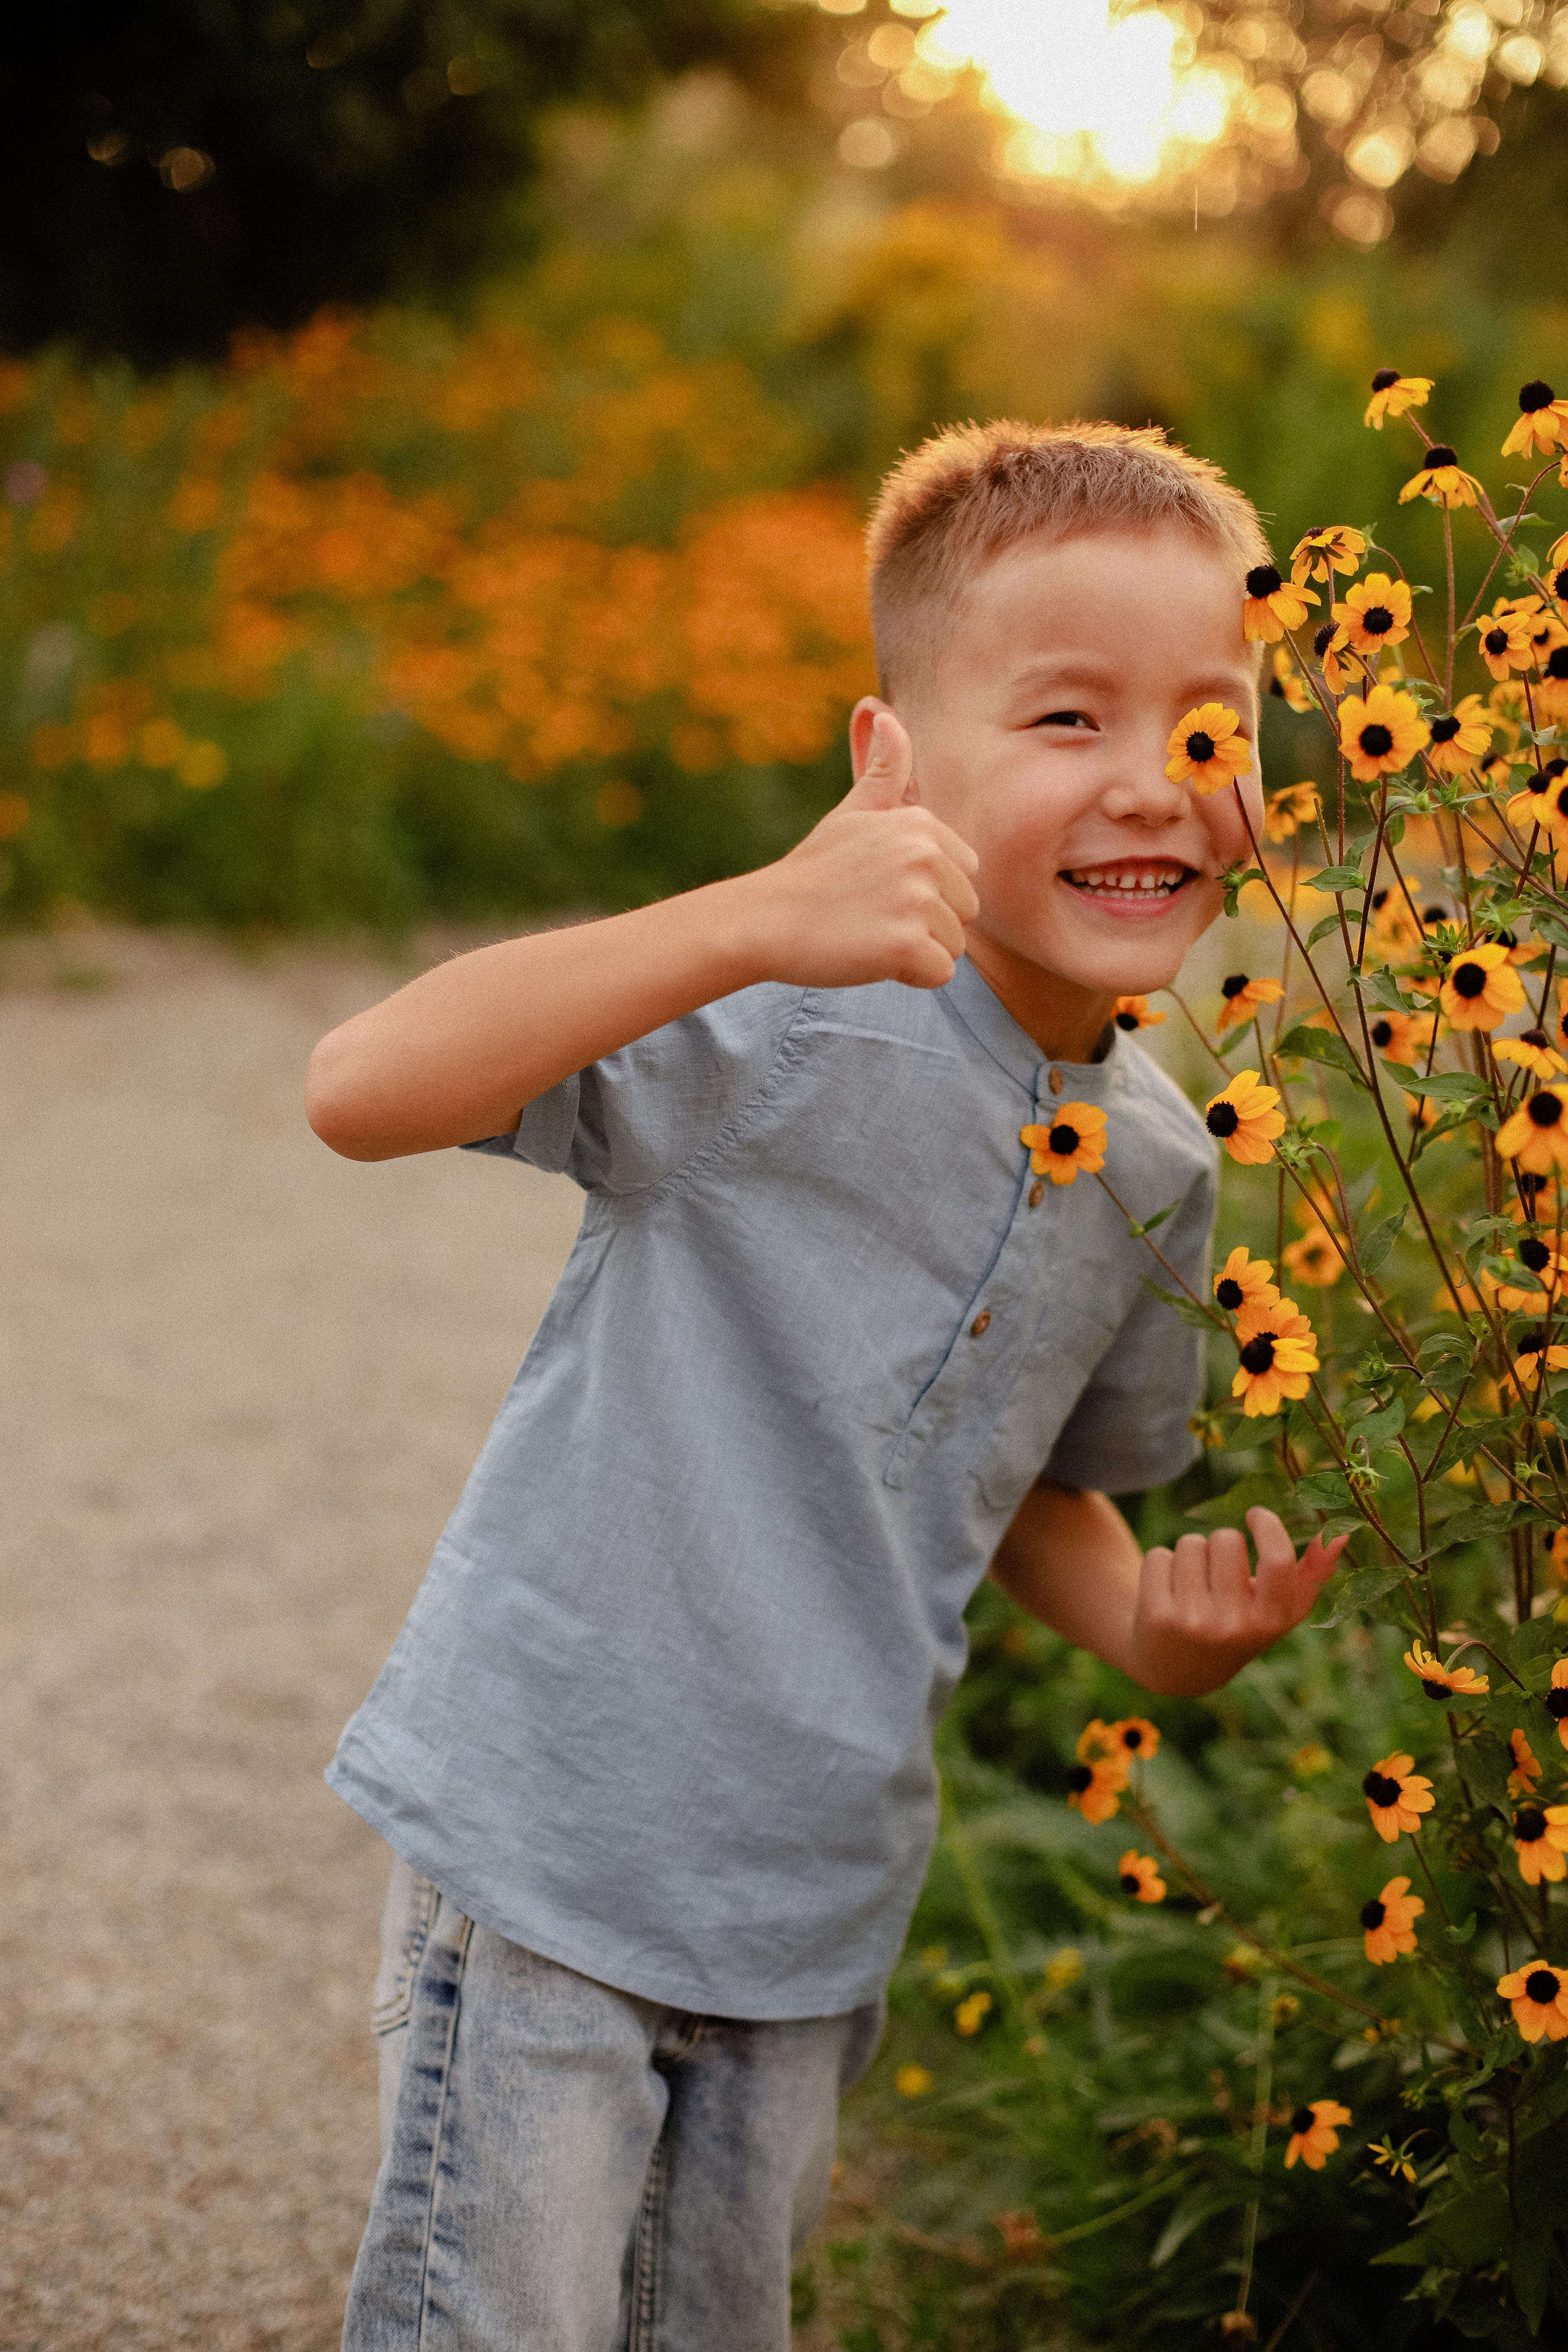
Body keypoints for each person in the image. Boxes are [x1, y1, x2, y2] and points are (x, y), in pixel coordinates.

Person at [307, 419, 1346, 2352]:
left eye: (1215, 731)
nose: (1158, 784)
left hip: (810, 1905)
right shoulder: (787, 1013)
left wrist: (1158, 1637)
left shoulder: (1155, 1165)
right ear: (891, 770)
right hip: (559, 1834)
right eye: (1065, 721)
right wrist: (751, 918)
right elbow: (360, 1085)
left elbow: (1031, 1480)